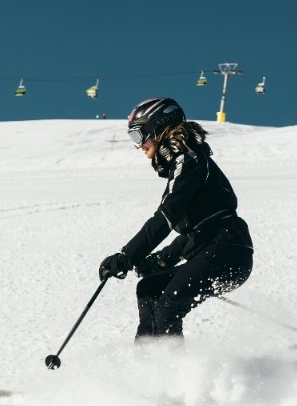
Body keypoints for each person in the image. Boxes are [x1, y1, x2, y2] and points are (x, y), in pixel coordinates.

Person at [99, 97, 254, 340]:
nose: (139, 146)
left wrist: (127, 256)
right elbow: (197, 231)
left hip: (228, 251)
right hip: (216, 248)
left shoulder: (189, 160)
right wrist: (161, 260)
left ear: (158, 128)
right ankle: (145, 366)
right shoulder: (184, 164)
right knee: (149, 288)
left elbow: (167, 216)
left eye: (139, 136)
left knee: (168, 306)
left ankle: (171, 370)